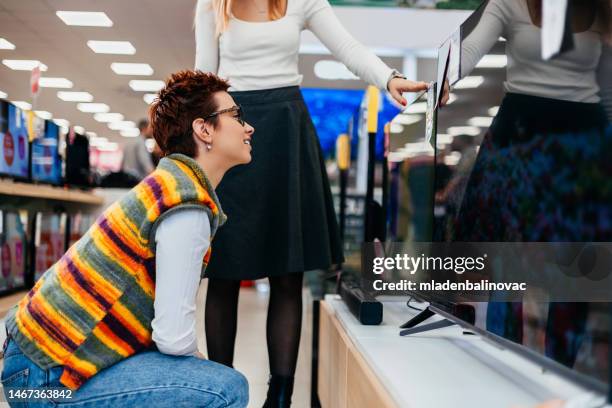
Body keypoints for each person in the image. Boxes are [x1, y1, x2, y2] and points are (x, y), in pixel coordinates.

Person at [194, 0, 441, 405]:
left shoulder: (304, 1)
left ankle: (281, 397)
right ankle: (220, 394)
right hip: (230, 131)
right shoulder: (213, 4)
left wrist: (388, 77)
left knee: (287, 273)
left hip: (286, 131)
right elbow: (205, 78)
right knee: (224, 271)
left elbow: (347, 48)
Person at [1, 70, 254, 407]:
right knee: (224, 388)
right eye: (235, 116)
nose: (247, 126)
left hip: (32, 361)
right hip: (44, 381)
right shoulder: (186, 205)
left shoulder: (167, 185)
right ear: (203, 128)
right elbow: (173, 337)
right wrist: (202, 369)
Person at [453, 0, 611, 371]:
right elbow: (471, 50)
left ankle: (563, 378)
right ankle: (503, 367)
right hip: (519, 140)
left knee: (573, 268)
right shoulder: (508, 2)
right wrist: (440, 79)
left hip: (578, 145)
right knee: (508, 264)